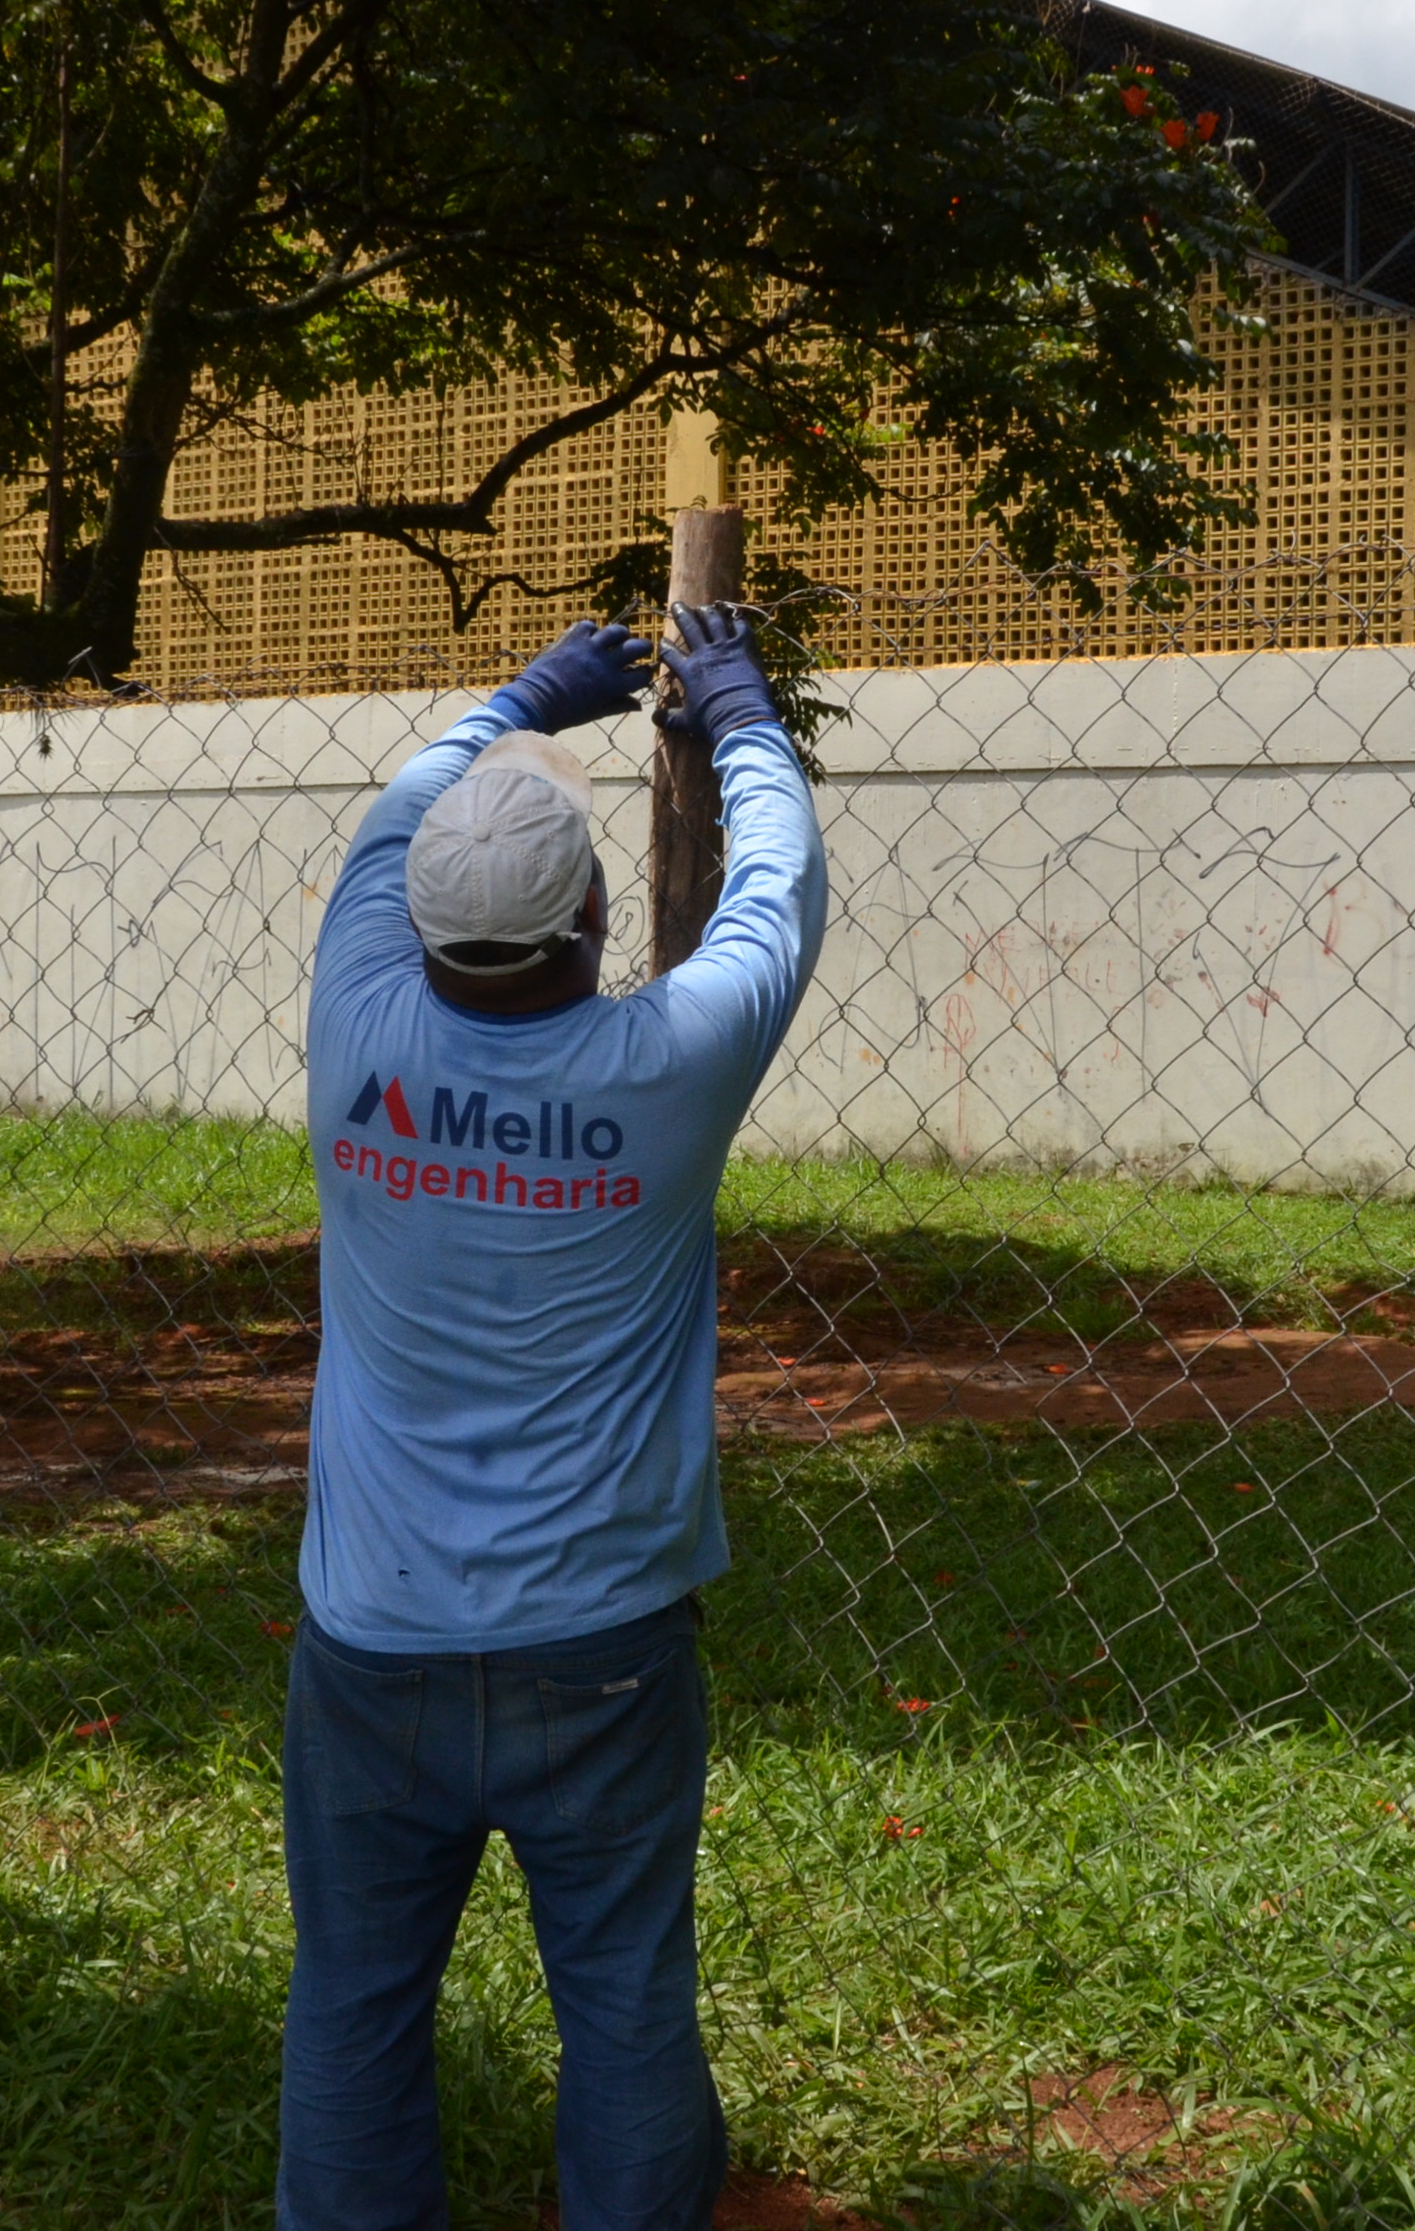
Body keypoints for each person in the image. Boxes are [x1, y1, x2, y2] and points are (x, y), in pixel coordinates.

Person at [282, 603, 825, 2231]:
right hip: (602, 1643)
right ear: (593, 916)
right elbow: (776, 888)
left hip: (373, 1641)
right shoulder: (667, 1062)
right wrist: (737, 709)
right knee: (625, 1995)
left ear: (419, 928)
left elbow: (390, 824)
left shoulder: (354, 1024)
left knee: (356, 1997)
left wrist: (527, 699)